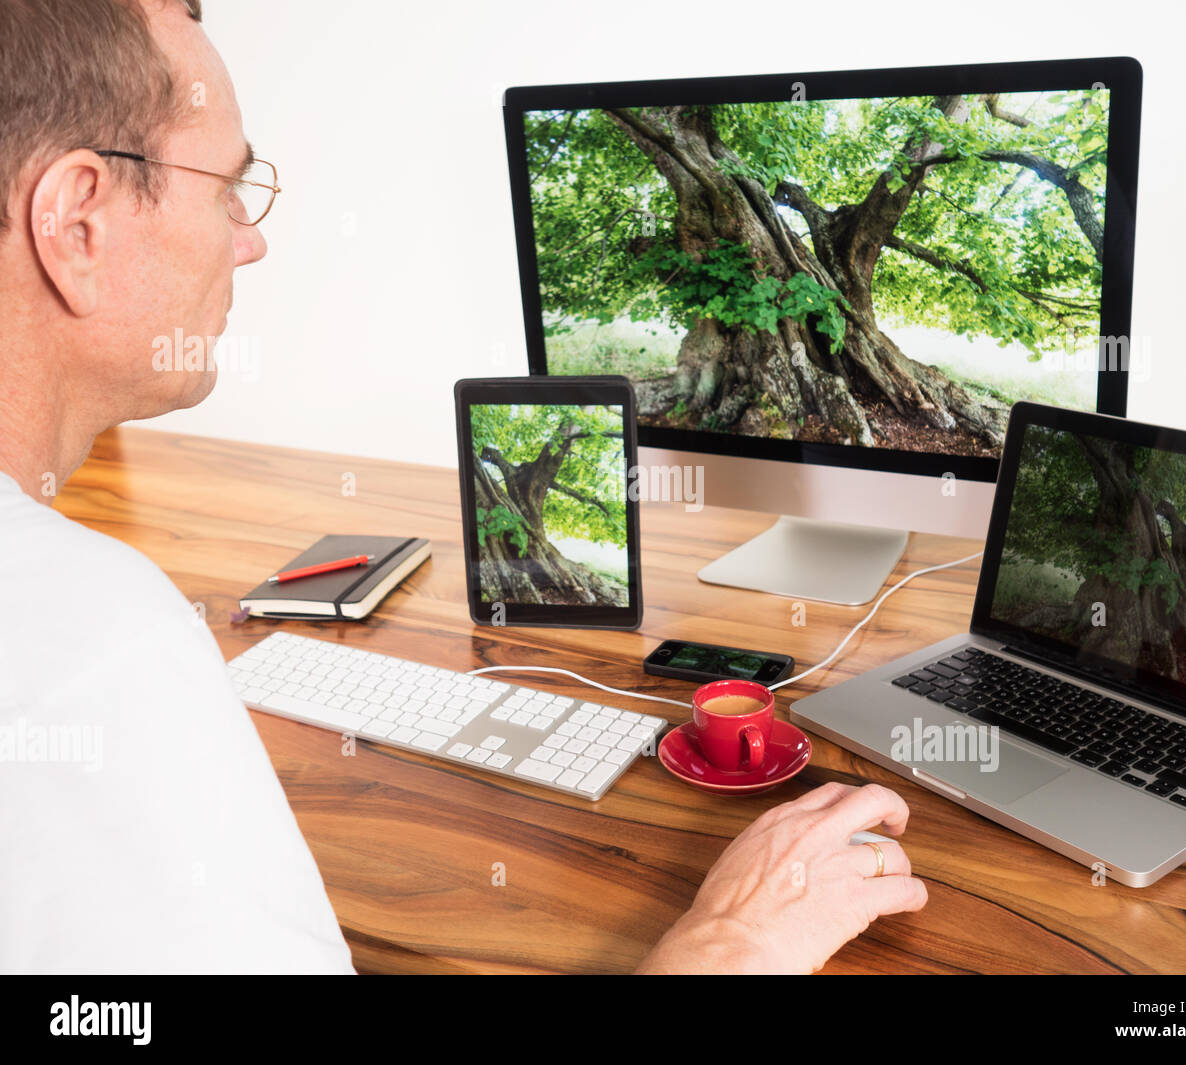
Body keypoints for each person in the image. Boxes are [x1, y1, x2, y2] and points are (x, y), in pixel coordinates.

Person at [0, 0, 927, 975]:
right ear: (76, 223)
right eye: (227, 189)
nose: (250, 241)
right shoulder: (89, 638)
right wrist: (738, 935)